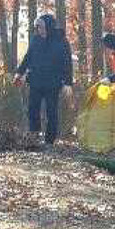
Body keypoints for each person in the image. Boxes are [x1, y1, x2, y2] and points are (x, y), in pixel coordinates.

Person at [14, 14, 74, 146]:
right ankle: (34, 135)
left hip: (53, 82)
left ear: (48, 26)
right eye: (36, 27)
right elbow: (28, 57)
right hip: (36, 80)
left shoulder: (61, 41)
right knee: (32, 109)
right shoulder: (36, 39)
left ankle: (49, 140)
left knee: (51, 111)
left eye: (40, 26)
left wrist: (68, 83)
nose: (38, 29)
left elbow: (67, 63)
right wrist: (19, 72)